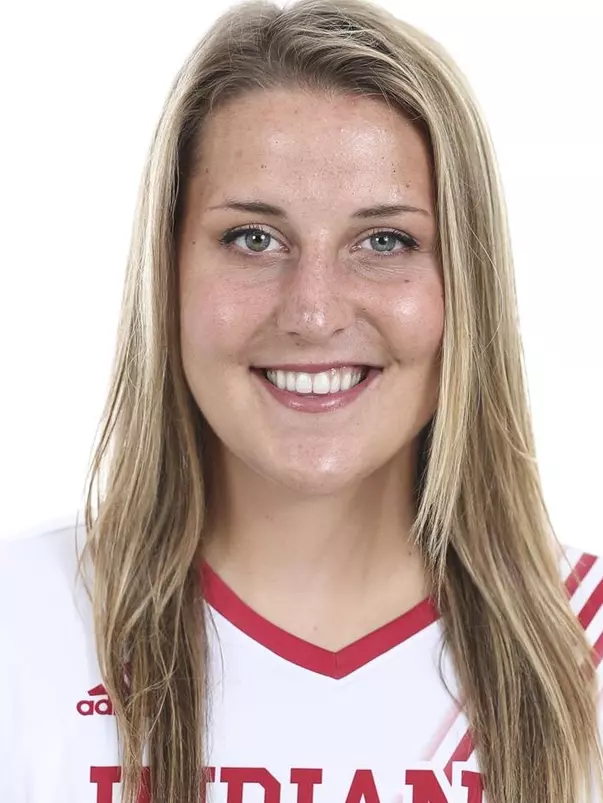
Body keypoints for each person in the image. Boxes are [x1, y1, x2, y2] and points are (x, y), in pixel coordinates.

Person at [1, 0, 602, 801]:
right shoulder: (20, 626)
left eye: (384, 240)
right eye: (253, 237)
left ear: (466, 286)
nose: (313, 312)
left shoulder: (583, 643)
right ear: (167, 272)